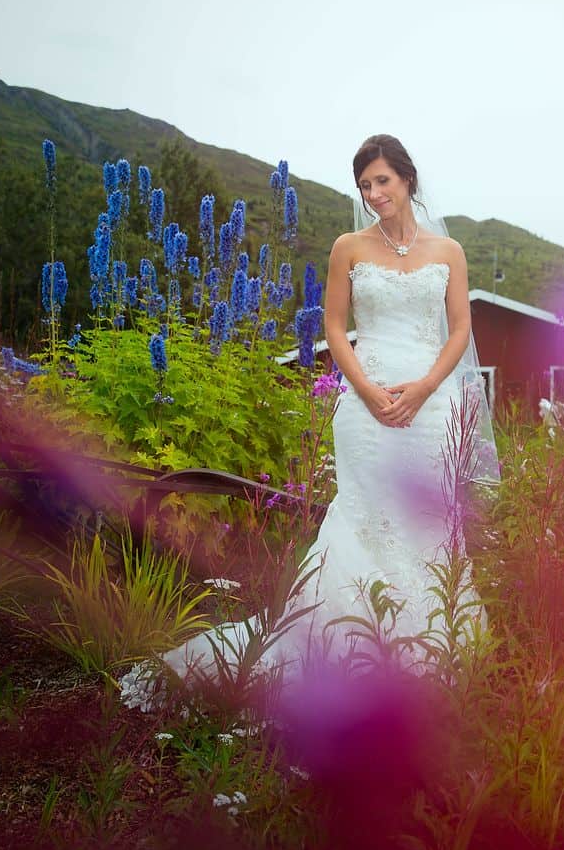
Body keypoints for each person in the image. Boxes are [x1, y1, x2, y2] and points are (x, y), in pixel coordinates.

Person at [119, 135, 499, 711]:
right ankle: (341, 663)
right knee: (362, 522)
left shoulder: (449, 252)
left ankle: (428, 660)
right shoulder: (348, 247)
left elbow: (460, 332)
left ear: (408, 180)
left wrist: (424, 388)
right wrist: (367, 391)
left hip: (432, 407)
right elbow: (334, 325)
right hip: (366, 409)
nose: (374, 195)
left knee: (427, 525)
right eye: (365, 186)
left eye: (383, 182)